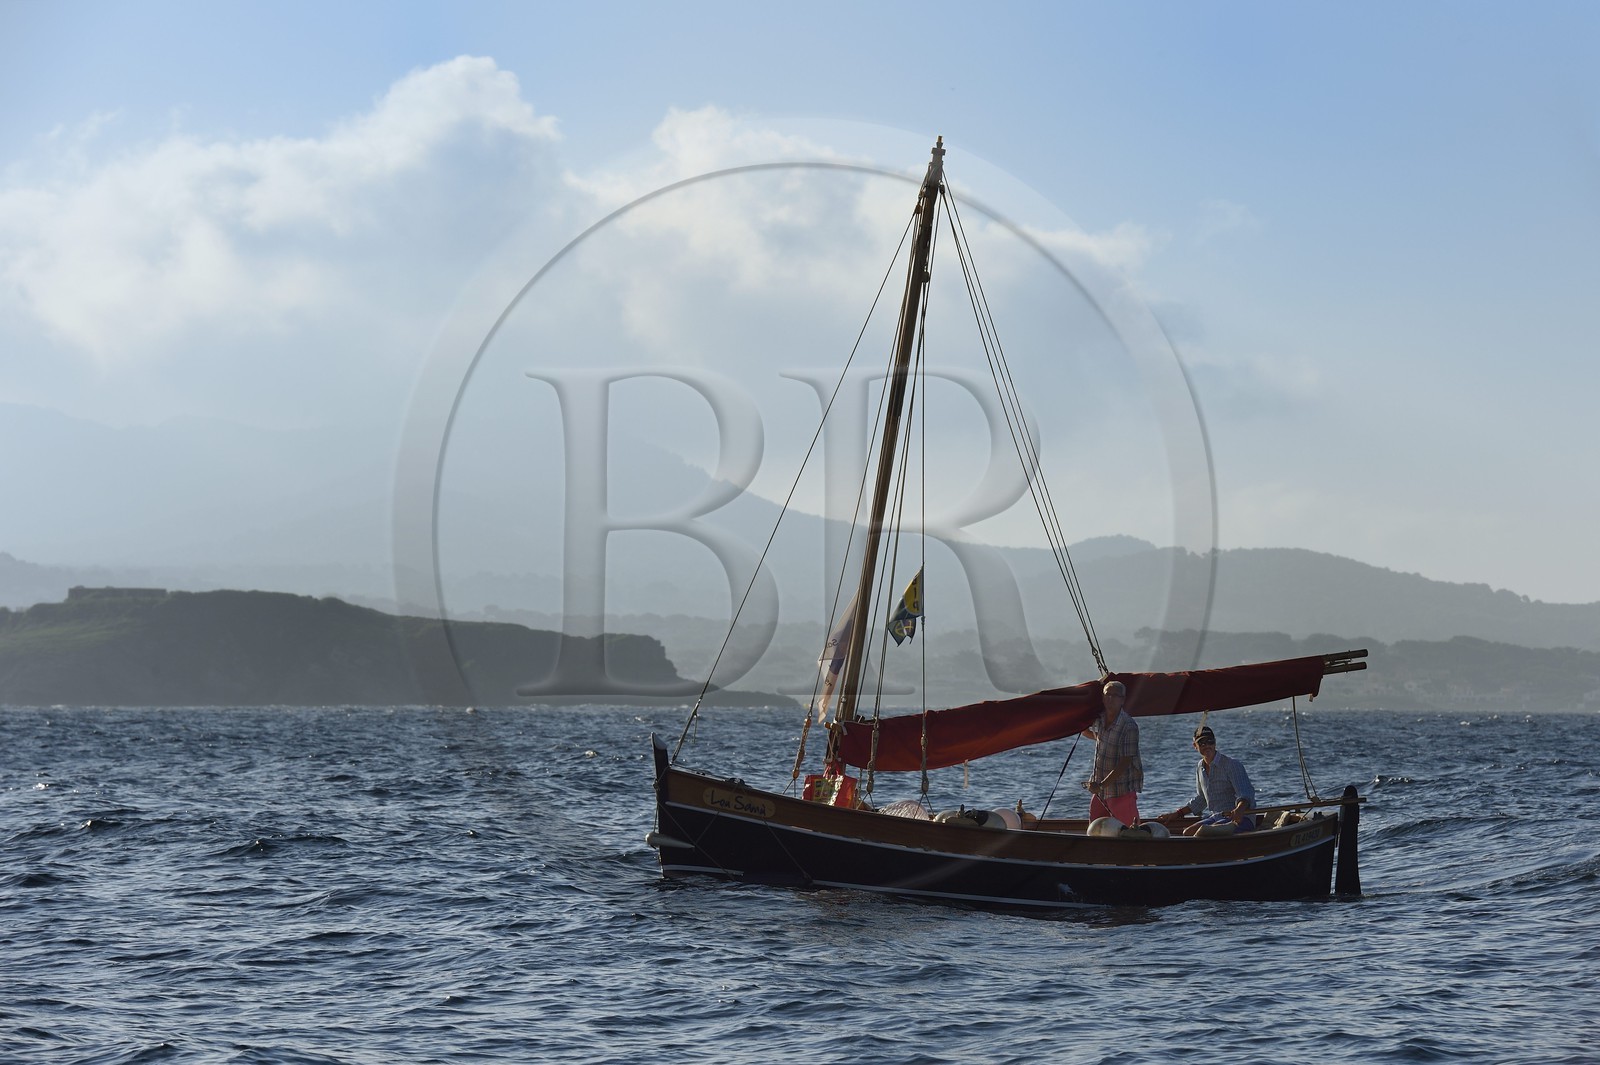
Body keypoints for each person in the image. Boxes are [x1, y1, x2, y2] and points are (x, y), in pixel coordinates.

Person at [1162, 724, 1256, 835]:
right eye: (1202, 743)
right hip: (1217, 817)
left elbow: (1245, 794)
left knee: (1208, 832)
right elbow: (1201, 799)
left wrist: (1239, 809)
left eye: (1210, 741)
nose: (1207, 746)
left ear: (1215, 742)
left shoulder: (1232, 765)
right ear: (1195, 746)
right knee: (1187, 832)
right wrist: (1177, 814)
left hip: (1242, 819)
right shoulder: (1200, 767)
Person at [1083, 679, 1142, 824]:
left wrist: (1102, 784)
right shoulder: (1100, 719)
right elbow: (1097, 736)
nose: (1110, 699)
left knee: (1132, 831)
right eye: (1107, 695)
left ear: (1122, 700)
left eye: (1115, 696)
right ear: (1103, 698)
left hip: (1120, 791)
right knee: (1095, 829)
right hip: (1100, 791)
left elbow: (1125, 762)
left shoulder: (1129, 726)